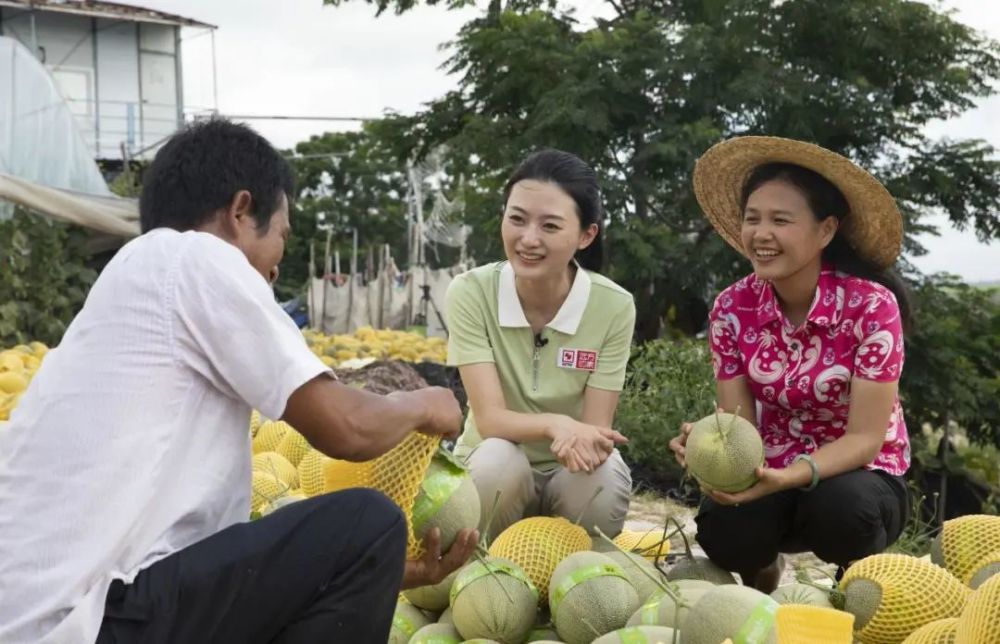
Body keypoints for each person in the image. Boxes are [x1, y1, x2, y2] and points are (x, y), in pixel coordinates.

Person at [0, 118, 477, 644]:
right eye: (281, 238)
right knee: (369, 525)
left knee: (357, 546)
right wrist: (427, 403)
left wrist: (377, 573)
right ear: (240, 211)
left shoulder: (136, 280)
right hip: (87, 623)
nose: (275, 272)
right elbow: (346, 429)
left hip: (58, 617)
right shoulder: (194, 257)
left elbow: (207, 562)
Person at [671, 136, 912, 592]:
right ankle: (762, 571)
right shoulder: (731, 308)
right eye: (752, 219)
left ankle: (857, 585)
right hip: (770, 471)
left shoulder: (871, 306)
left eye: (780, 220)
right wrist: (707, 444)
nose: (761, 234)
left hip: (861, 475)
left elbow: (864, 440)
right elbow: (738, 422)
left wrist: (792, 474)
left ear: (825, 231)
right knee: (722, 528)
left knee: (844, 508)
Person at [446, 149, 636, 540]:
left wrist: (575, 437)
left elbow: (595, 429)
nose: (528, 239)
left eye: (550, 226)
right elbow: (490, 420)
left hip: (566, 474)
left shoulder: (614, 306)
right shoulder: (471, 292)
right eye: (517, 219)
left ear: (586, 235)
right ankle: (481, 567)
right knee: (500, 458)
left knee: (602, 474)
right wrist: (557, 424)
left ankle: (570, 570)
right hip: (493, 467)